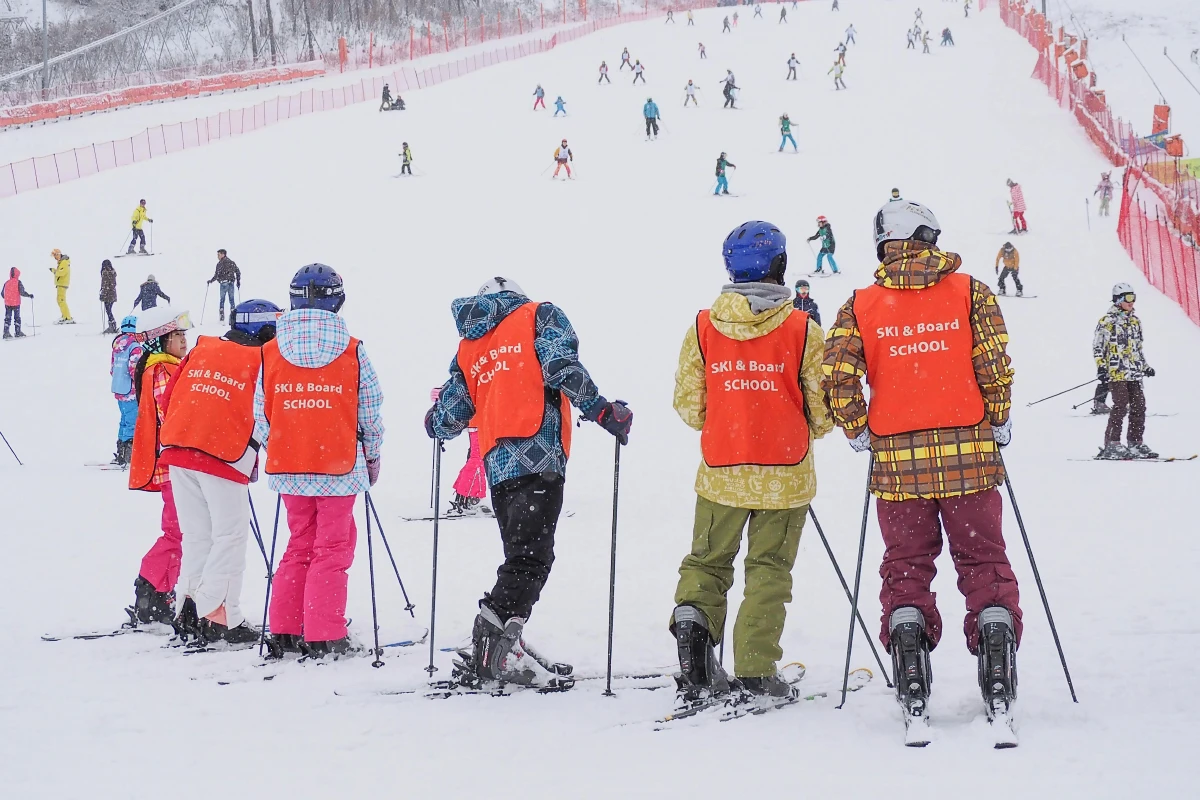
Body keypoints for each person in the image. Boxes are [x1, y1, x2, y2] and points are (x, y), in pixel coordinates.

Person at [822, 200, 1022, 729]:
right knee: (983, 558)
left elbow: (837, 374)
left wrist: (856, 426)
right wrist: (998, 417)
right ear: (928, 236)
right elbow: (994, 363)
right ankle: (995, 635)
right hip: (969, 459)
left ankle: (908, 643)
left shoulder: (861, 303)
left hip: (898, 465)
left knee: (906, 562)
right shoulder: (970, 292)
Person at [425, 276, 632, 688]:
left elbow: (451, 413)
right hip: (539, 454)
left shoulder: (470, 344)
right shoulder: (538, 315)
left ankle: (506, 641)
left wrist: (435, 422)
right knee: (531, 558)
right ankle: (493, 643)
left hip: (497, 462)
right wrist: (601, 410)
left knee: (521, 555)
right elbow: (559, 366)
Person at [670, 221, 831, 702]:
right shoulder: (802, 329)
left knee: (707, 562)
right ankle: (757, 670)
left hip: (722, 471)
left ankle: (695, 636)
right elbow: (822, 413)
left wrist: (732, 418)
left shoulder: (703, 327)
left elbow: (689, 407)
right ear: (779, 265)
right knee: (769, 570)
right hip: (785, 474)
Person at [256, 265, 384, 658]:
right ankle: (324, 633)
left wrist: (284, 445)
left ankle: (286, 628)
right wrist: (372, 459)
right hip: (339, 466)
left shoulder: (271, 351)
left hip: (290, 465)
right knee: (332, 547)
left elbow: (262, 415)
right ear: (338, 300)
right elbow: (370, 412)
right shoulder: (352, 350)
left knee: (299, 544)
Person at [159, 299, 282, 645]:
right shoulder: (263, 360)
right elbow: (270, 412)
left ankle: (188, 607)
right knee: (230, 536)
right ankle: (219, 616)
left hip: (179, 448)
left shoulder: (203, 347)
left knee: (198, 536)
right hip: (222, 455)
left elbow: (168, 399)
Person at [126, 307, 193, 626]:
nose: (183, 342)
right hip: (173, 465)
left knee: (180, 530)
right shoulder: (162, 370)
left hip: (174, 464)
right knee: (177, 531)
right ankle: (151, 588)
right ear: (160, 341)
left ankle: (159, 592)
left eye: (184, 336)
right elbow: (172, 414)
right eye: (177, 336)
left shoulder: (168, 367)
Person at [1094, 284, 1157, 459]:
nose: (1132, 302)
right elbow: (1098, 347)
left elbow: (1138, 349)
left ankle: (1135, 442)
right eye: (1128, 298)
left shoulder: (1135, 322)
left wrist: (1145, 366)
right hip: (1116, 372)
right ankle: (1112, 443)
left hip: (1134, 372)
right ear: (1118, 300)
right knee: (1120, 405)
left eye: (1133, 297)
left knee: (1139, 406)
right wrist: (1101, 366)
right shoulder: (1107, 322)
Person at [109, 315, 144, 467]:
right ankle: (129, 454)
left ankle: (121, 450)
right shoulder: (135, 347)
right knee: (132, 422)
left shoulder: (117, 345)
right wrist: (141, 383)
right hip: (131, 392)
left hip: (119, 389)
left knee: (124, 421)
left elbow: (112, 368)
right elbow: (135, 370)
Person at [207, 249, 242, 323]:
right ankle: (232, 318)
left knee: (222, 300)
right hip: (231, 283)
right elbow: (238, 272)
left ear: (223, 254)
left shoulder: (220, 264)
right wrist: (238, 281)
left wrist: (211, 281)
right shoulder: (231, 263)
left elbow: (216, 275)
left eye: (218, 255)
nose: (217, 256)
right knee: (232, 300)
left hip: (223, 283)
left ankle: (222, 317)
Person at [2, 267, 33, 339]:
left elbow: (2, 294)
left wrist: (7, 298)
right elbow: (22, 292)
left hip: (8, 303)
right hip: (16, 303)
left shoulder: (6, 282)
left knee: (7, 318)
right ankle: (18, 332)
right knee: (17, 318)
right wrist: (29, 295)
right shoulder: (18, 282)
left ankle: (6, 333)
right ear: (17, 274)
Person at [49, 248, 74, 324]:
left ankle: (67, 317)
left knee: (61, 300)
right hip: (61, 284)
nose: (54, 258)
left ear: (58, 255)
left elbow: (61, 273)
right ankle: (64, 316)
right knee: (60, 300)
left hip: (62, 284)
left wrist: (54, 271)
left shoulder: (64, 262)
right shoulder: (61, 262)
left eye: (55, 256)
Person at [100, 259, 118, 333]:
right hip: (113, 294)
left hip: (107, 295)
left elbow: (105, 285)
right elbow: (113, 284)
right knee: (109, 310)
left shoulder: (105, 273)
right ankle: (113, 325)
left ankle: (112, 325)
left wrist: (102, 294)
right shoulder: (113, 273)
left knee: (108, 310)